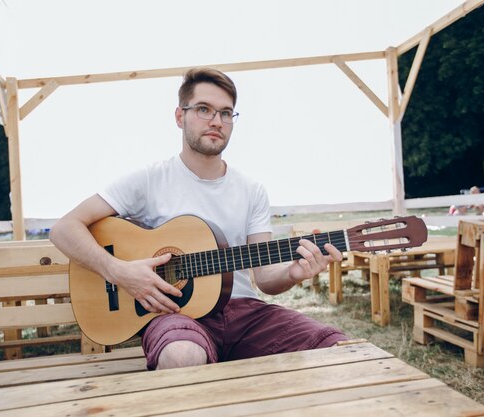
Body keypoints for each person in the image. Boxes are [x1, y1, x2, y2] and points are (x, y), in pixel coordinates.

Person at [50, 68, 348, 370]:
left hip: (246, 314)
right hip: (176, 315)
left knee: (337, 348)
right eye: (204, 109)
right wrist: (119, 272)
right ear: (180, 116)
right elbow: (64, 229)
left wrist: (294, 274)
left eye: (226, 113)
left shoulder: (252, 191)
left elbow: (266, 279)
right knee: (181, 356)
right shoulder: (149, 180)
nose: (216, 121)